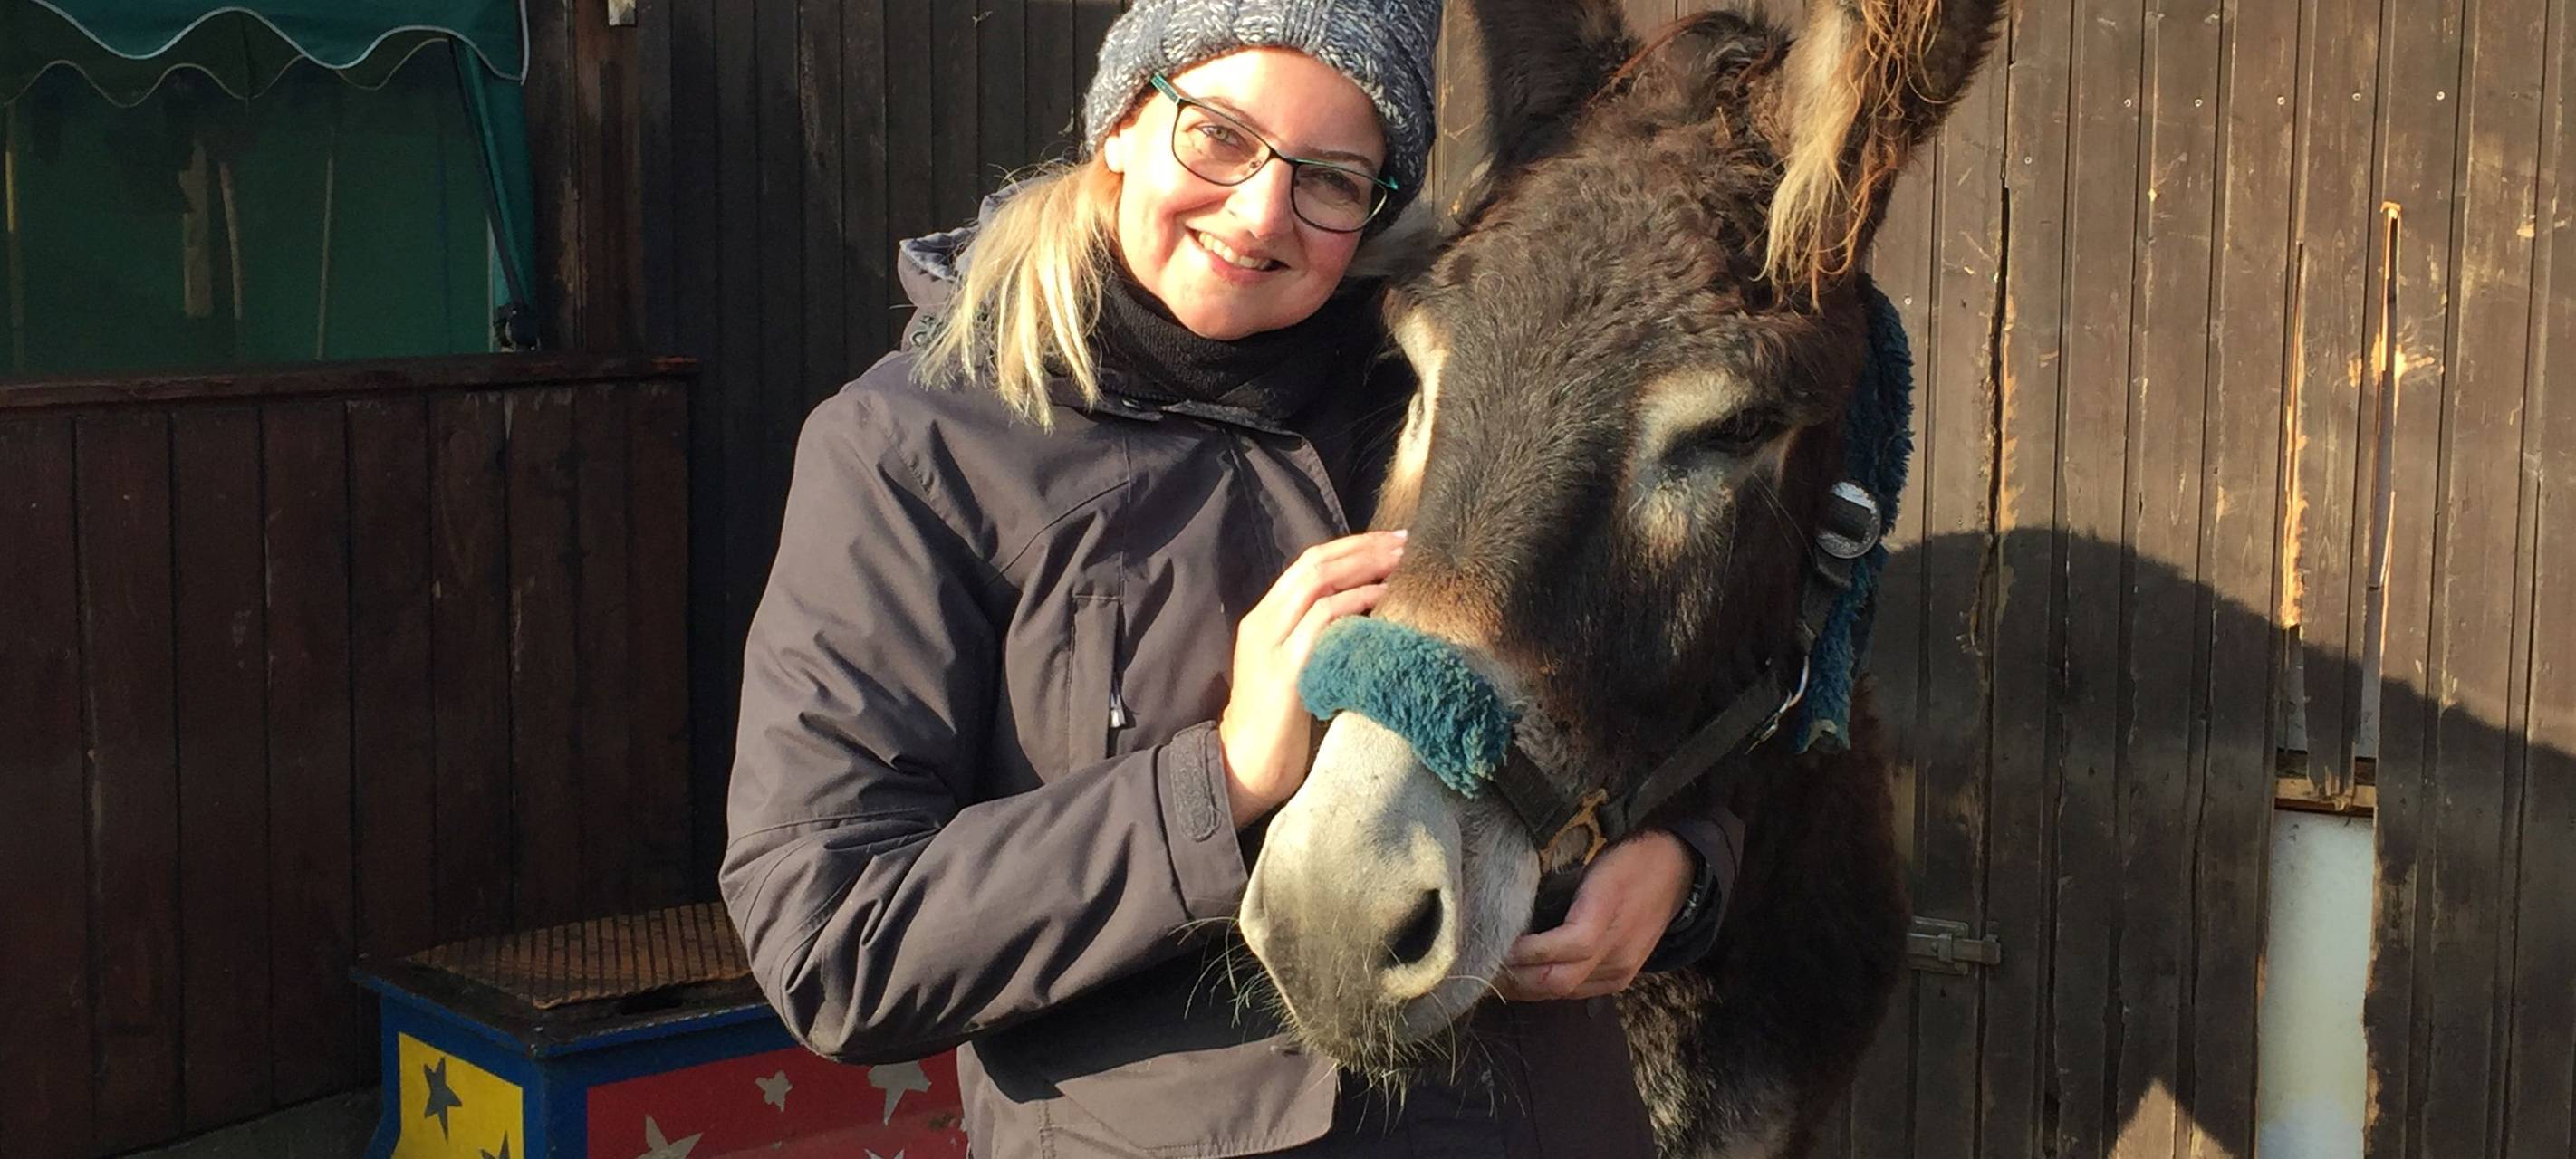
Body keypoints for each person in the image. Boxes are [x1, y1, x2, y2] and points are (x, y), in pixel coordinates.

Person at [720, 2, 1744, 1154]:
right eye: (1219, 134)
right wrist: (1221, 779)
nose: (1261, 213)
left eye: (1331, 178)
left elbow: (1668, 678)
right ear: (1122, 120)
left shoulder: (1448, 390)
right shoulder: (914, 451)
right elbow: (833, 938)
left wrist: (1688, 866)